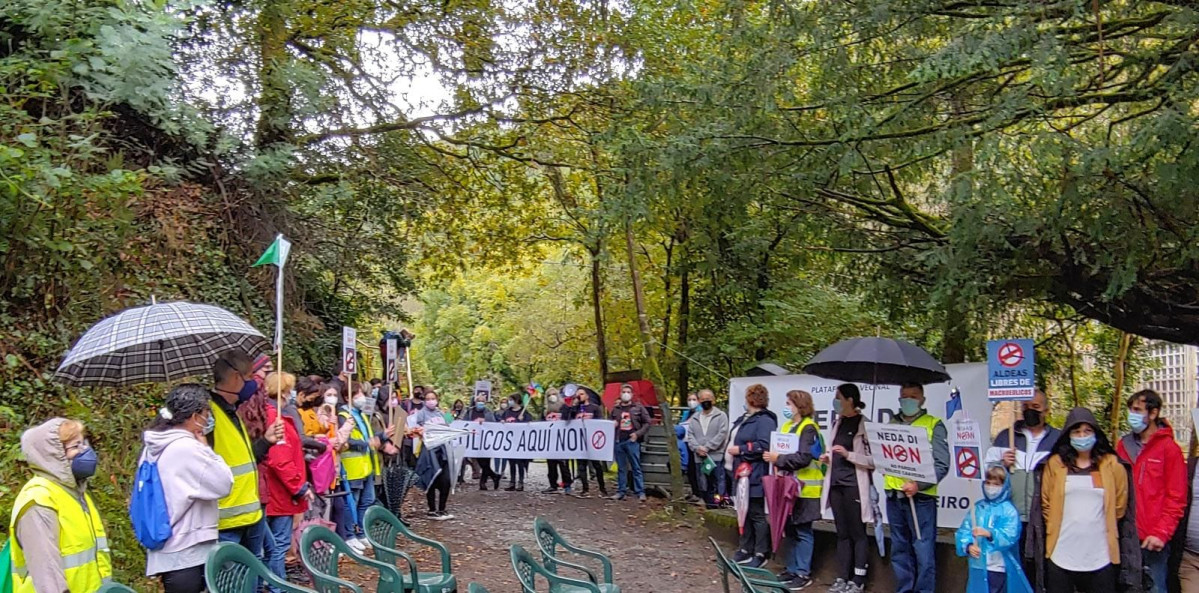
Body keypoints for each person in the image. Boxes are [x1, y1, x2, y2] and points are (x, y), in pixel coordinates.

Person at [1030, 406, 1137, 593]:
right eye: (1077, 431)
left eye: (1087, 431)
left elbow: (1119, 506)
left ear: (1095, 434)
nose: (1082, 436)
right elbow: (1046, 503)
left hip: (1100, 555)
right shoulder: (1055, 464)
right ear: (1068, 435)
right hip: (1061, 552)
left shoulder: (1112, 464)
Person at [141, 385, 234, 593]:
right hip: (187, 550)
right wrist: (205, 447)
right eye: (207, 413)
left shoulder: (155, 443)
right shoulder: (186, 448)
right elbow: (223, 483)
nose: (209, 418)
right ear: (195, 416)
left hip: (169, 545)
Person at [9, 418, 110, 593]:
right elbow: (47, 577)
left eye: (83, 443)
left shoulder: (75, 493)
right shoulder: (39, 501)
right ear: (54, 455)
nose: (84, 451)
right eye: (75, 446)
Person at [209, 350, 282, 560]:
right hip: (227, 519)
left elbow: (246, 459)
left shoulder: (233, 412)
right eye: (250, 377)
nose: (254, 383)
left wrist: (266, 441)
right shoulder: (210, 416)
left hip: (251, 512)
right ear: (235, 377)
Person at [1114, 389, 1185, 593]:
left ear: (1153, 413)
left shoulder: (1169, 449)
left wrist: (1161, 533)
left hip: (1152, 541)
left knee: (1155, 588)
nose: (1131, 415)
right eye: (1130, 410)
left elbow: (1176, 498)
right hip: (1125, 537)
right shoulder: (1123, 446)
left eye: (1137, 410)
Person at [985, 389, 1061, 577]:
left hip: (1044, 519)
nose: (1030, 411)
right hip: (1011, 517)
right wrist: (1001, 464)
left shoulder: (1058, 440)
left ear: (1046, 410)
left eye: (1036, 407)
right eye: (1026, 406)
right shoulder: (1005, 437)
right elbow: (987, 477)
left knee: (1041, 572)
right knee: (1013, 571)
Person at [885, 383, 950, 593]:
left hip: (921, 498)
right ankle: (904, 589)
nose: (908, 400)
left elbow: (942, 464)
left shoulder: (934, 424)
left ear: (922, 399)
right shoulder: (891, 423)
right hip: (894, 496)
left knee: (923, 551)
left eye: (913, 396)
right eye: (904, 396)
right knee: (899, 549)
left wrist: (919, 484)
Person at [762, 390, 824, 590]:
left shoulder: (809, 428)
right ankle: (791, 568)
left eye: (789, 403)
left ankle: (803, 572)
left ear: (800, 405)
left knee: (803, 531)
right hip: (788, 487)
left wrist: (778, 459)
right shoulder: (788, 426)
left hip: (806, 489)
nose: (786, 407)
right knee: (789, 529)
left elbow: (804, 457)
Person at [260, 372, 312, 588]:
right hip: (279, 494)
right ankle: (277, 587)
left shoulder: (270, 415)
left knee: (271, 546)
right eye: (288, 390)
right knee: (277, 546)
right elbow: (279, 460)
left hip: (277, 492)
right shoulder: (275, 418)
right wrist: (299, 487)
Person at [822, 384, 876, 593]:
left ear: (850, 400)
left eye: (838, 397)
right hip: (836, 483)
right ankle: (841, 577)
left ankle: (858, 579)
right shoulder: (838, 422)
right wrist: (828, 457)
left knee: (857, 532)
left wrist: (848, 455)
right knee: (842, 532)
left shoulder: (864, 425)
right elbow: (832, 450)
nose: (835, 401)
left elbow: (873, 461)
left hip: (854, 485)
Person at [955, 466, 1034, 593]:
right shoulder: (978, 507)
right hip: (978, 566)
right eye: (988, 483)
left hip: (998, 566)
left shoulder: (1009, 510)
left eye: (996, 484)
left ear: (1004, 485)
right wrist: (968, 546)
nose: (991, 487)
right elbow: (964, 531)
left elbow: (1010, 535)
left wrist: (990, 534)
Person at [727, 383, 777, 568]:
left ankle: (760, 552)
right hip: (740, 474)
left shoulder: (765, 420)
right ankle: (745, 549)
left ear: (750, 399)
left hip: (754, 474)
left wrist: (740, 449)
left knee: (756, 513)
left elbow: (764, 444)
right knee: (743, 512)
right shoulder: (744, 419)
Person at [337, 381, 381, 552]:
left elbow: (368, 435)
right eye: (358, 395)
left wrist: (382, 437)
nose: (362, 398)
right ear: (348, 397)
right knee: (351, 502)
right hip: (352, 467)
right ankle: (349, 535)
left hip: (365, 466)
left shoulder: (361, 414)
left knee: (367, 500)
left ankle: (361, 532)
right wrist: (365, 443)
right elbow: (345, 439)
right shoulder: (344, 415)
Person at [413, 389, 455, 520]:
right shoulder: (421, 414)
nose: (431, 401)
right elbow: (416, 429)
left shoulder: (441, 413)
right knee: (431, 477)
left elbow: (449, 427)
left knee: (446, 480)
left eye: (433, 398)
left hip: (443, 451)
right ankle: (432, 509)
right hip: (429, 451)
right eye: (428, 399)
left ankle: (442, 508)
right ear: (425, 401)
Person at [686, 388, 730, 508]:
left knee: (717, 483)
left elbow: (722, 434)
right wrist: (697, 448)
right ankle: (708, 505)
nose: (706, 401)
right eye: (703, 399)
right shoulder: (695, 417)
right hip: (699, 457)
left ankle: (719, 503)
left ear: (713, 400)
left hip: (715, 456)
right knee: (703, 484)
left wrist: (708, 447)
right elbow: (690, 435)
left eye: (708, 399)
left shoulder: (721, 416)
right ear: (699, 401)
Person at [610, 383, 652, 502]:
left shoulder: (638, 407)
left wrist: (637, 434)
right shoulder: (616, 409)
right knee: (621, 468)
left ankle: (640, 492)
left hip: (632, 441)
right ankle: (621, 491)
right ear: (620, 394)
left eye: (628, 392)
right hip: (619, 440)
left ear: (632, 394)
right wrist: (613, 424)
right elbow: (609, 422)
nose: (626, 394)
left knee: (636, 467)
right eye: (624, 392)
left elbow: (647, 422)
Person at [570, 387, 608, 497]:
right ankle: (585, 489)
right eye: (577, 395)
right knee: (581, 466)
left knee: (597, 465)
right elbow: (568, 419)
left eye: (581, 394)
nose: (579, 396)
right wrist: (573, 406)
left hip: (592, 441)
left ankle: (602, 488)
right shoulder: (575, 409)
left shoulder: (594, 408)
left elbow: (600, 422)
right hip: (579, 441)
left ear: (587, 396)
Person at [464, 394, 501, 490]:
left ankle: (482, 483)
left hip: (486, 441)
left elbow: (493, 424)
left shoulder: (488, 412)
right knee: (481, 463)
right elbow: (464, 422)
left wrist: (484, 421)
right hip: (474, 440)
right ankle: (494, 476)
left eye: (483, 401)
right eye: (479, 401)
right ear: (475, 402)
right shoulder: (470, 411)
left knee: (486, 462)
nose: (481, 403)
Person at [542, 391, 574, 495]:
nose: (552, 397)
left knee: (563, 465)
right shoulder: (545, 411)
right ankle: (552, 485)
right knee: (551, 466)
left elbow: (570, 419)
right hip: (550, 442)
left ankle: (567, 485)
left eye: (553, 394)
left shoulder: (564, 407)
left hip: (562, 441)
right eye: (549, 395)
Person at [500, 394, 533, 491]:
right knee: (512, 463)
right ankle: (512, 482)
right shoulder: (507, 412)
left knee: (520, 463)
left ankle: (521, 482)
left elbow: (529, 424)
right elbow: (501, 420)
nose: (509, 402)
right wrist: (502, 421)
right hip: (510, 442)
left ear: (516, 400)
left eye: (511, 400)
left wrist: (524, 420)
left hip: (520, 442)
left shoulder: (524, 412)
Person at [681, 392, 702, 503]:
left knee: (698, 469)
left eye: (694, 399)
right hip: (686, 443)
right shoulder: (686, 413)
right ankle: (695, 492)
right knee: (690, 469)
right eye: (689, 399)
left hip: (697, 444)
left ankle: (701, 493)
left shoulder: (701, 411)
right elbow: (682, 424)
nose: (691, 402)